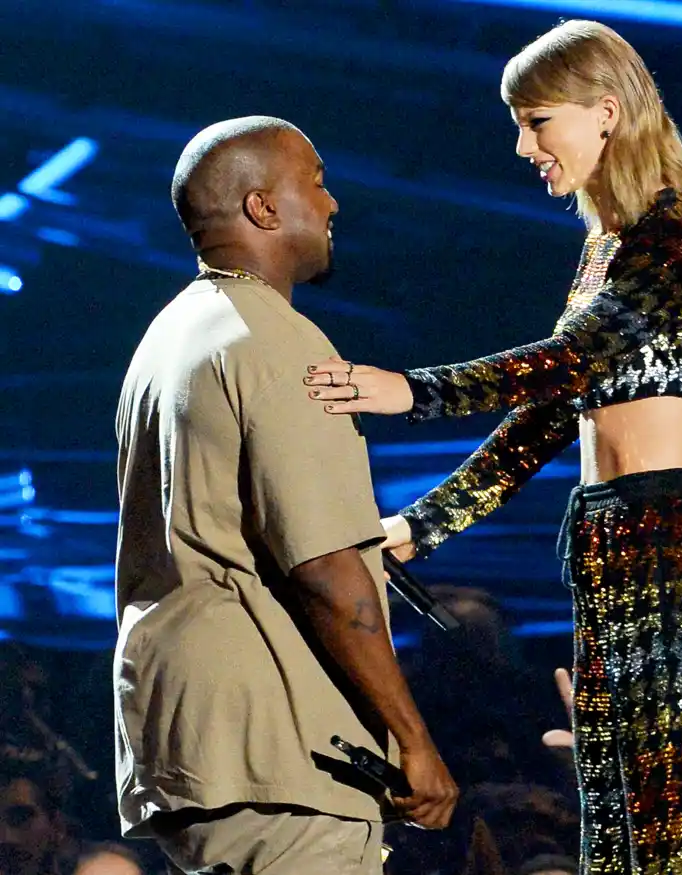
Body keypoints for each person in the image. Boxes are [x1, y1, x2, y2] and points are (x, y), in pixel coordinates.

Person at [305, 19, 682, 873]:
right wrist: (422, 524)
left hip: (668, 548)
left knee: (669, 844)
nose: (522, 146)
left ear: (607, 113)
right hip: (608, 541)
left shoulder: (677, 239)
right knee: (613, 839)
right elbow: (551, 412)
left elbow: (565, 362)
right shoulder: (603, 251)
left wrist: (412, 390)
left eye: (536, 120)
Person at [113, 116, 457, 875]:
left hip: (188, 746)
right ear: (263, 208)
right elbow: (328, 570)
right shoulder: (275, 340)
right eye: (318, 181)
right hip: (283, 751)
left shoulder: (168, 338)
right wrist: (412, 738)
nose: (332, 204)